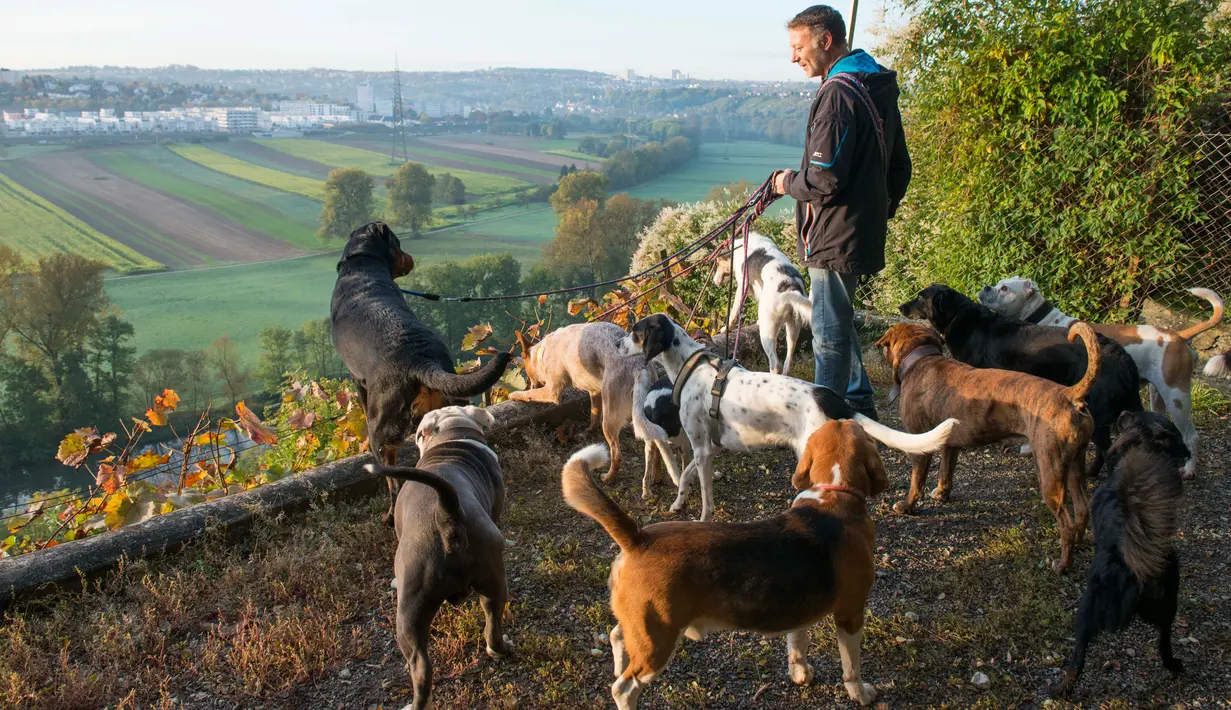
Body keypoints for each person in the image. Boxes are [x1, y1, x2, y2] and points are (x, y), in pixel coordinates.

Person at [771, 4, 911, 420]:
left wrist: (784, 183)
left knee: (828, 335)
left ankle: (825, 424)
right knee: (839, 315)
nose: (793, 57)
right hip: (858, 228)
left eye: (798, 47)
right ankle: (858, 398)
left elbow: (823, 179)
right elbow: (900, 166)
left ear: (825, 40)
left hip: (833, 233)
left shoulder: (836, 94)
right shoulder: (874, 84)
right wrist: (876, 214)